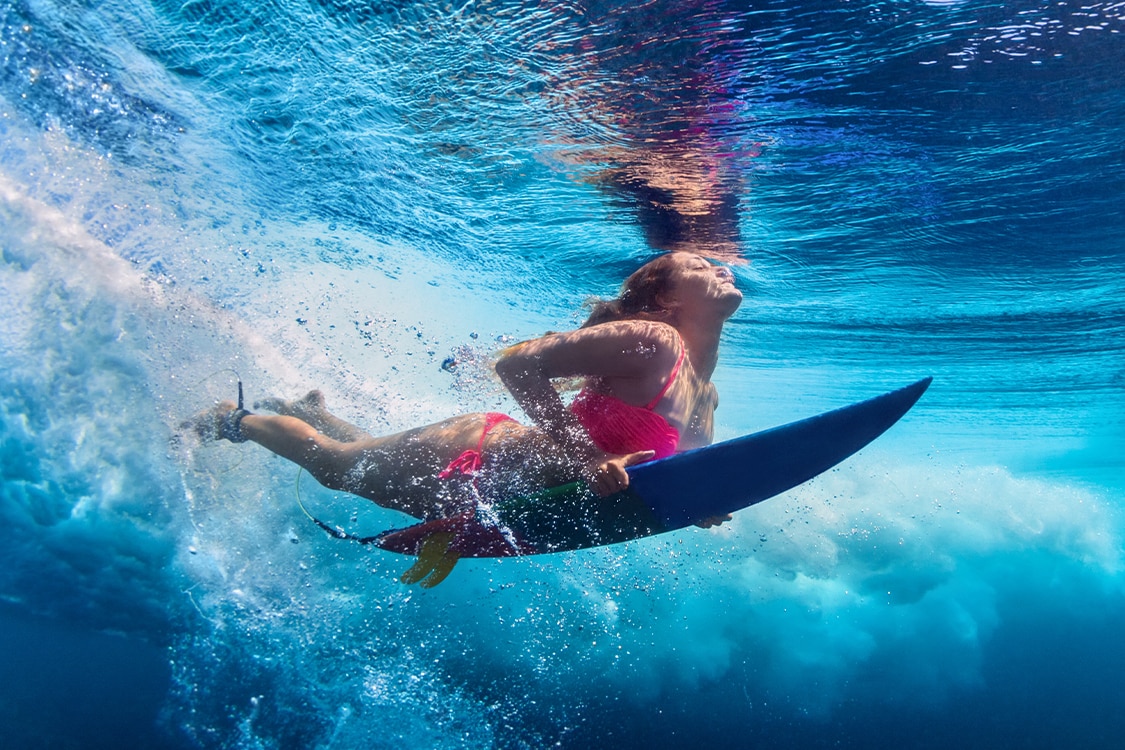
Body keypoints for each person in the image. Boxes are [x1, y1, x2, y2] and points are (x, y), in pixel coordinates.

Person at [193, 252, 741, 579]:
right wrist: (588, 457)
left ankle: (311, 410)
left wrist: (695, 506)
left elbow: (649, 474)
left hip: (504, 497)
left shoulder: (706, 396)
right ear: (665, 301)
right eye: (700, 265)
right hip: (474, 458)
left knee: (361, 461)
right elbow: (518, 366)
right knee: (337, 468)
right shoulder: (653, 340)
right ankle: (233, 421)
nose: (719, 266)